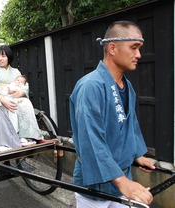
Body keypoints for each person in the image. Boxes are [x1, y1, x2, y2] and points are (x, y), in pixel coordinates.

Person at [69, 21, 155, 207]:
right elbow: (90, 140)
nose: (139, 55)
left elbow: (129, 126)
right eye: (134, 47)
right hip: (95, 185)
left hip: (122, 178)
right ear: (113, 48)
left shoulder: (127, 86)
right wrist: (122, 181)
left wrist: (136, 154)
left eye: (139, 48)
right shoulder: (90, 86)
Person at [0, 45, 43, 146]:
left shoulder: (16, 71)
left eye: (3, 56)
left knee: (26, 102)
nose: (0, 58)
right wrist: (4, 101)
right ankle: (15, 135)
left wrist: (21, 92)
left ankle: (27, 135)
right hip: (0, 98)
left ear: (9, 57)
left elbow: (24, 85)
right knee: (11, 105)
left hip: (14, 96)